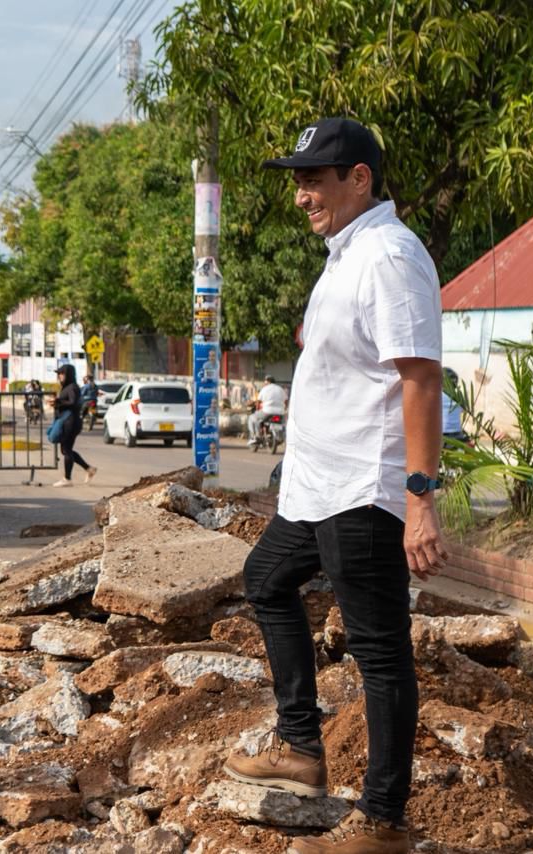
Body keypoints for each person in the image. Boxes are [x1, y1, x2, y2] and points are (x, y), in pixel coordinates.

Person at [222, 117, 446, 854]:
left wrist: (419, 498)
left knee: (380, 651)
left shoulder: (388, 253)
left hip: (364, 487)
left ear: (360, 178)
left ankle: (383, 820)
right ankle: (301, 748)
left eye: (315, 179)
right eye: (298, 181)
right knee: (266, 578)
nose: (302, 195)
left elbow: (419, 377)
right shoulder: (345, 255)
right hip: (317, 488)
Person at [49, 363, 96, 487]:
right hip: (68, 422)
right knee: (66, 450)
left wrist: (58, 402)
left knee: (67, 450)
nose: (59, 376)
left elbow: (73, 402)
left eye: (62, 373)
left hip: (71, 422)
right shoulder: (67, 387)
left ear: (68, 374)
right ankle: (89, 469)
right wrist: (57, 403)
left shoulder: (72, 387)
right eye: (58, 373)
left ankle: (67, 479)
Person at [247, 375, 288, 445]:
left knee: (252, 418)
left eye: (265, 382)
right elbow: (286, 401)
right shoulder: (280, 389)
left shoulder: (265, 389)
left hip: (267, 411)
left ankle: (255, 436)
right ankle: (279, 436)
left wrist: (257, 410)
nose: (264, 383)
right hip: (280, 412)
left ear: (268, 382)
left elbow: (258, 401)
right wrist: (284, 409)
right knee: (283, 424)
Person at [441, 367, 467, 444]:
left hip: (442, 436)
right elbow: (463, 410)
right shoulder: (459, 396)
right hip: (458, 434)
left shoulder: (437, 395)